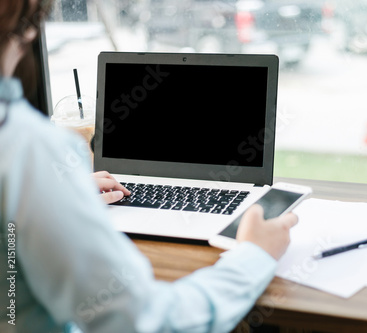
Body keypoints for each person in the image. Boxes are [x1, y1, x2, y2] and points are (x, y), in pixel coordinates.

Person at [0, 1, 298, 332]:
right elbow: (149, 324)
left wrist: (58, 197)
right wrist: (256, 255)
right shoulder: (29, 148)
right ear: (29, 26)